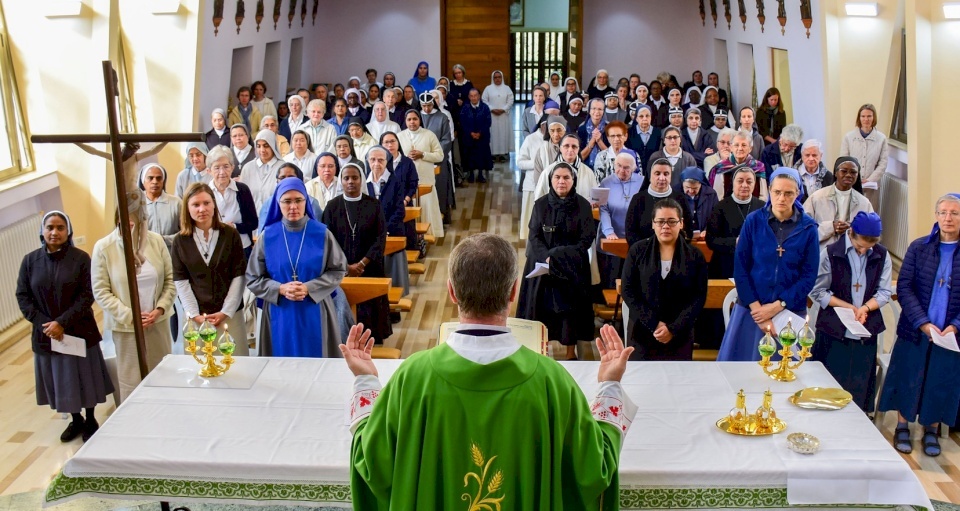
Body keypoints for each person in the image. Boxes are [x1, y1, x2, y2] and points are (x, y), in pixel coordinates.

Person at [344, 233, 635, 509]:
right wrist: (609, 386)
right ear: (513, 291)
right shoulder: (552, 382)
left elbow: (372, 464)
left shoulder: (412, 378)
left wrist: (365, 381)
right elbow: (593, 471)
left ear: (451, 292)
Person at [17, 211, 114, 442]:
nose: (54, 232)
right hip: (48, 334)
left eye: (60, 228)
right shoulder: (30, 261)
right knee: (63, 380)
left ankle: (90, 418)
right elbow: (23, 296)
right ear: (42, 230)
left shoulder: (81, 259)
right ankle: (75, 418)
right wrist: (46, 325)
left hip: (78, 330)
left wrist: (62, 323)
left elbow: (87, 295)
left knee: (84, 377)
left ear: (68, 231)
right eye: (50, 227)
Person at [878, 194, 960, 457]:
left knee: (939, 379)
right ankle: (903, 425)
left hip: (949, 334)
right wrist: (922, 322)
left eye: (954, 213)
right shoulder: (919, 247)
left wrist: (956, 326)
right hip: (915, 329)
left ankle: (931, 429)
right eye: (943, 212)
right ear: (936, 215)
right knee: (909, 375)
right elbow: (904, 287)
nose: (948, 218)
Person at [716, 168, 819, 361]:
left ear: (797, 193)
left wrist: (777, 306)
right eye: (777, 192)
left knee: (784, 377)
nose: (782, 198)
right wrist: (758, 310)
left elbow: (808, 276)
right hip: (751, 311)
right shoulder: (753, 221)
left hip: (788, 313)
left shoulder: (808, 228)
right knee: (743, 376)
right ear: (769, 190)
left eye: (788, 193)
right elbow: (741, 269)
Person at [246, 177, 347, 357]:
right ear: (278, 203)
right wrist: (280, 288)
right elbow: (253, 278)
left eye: (298, 200)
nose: (293, 207)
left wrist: (310, 287)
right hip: (279, 310)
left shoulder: (322, 233)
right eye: (287, 201)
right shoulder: (267, 236)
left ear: (306, 201)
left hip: (315, 308)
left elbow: (338, 270)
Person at [810, 211, 891, 412]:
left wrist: (864, 308)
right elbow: (817, 290)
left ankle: (859, 421)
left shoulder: (882, 254)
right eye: (859, 246)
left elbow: (884, 291)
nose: (863, 251)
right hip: (833, 328)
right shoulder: (831, 253)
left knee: (859, 383)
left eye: (868, 247)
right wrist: (847, 307)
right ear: (851, 233)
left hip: (865, 326)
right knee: (830, 381)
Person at [91, 208, 175, 402]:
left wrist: (160, 308)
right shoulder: (104, 247)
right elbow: (101, 292)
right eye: (125, 221)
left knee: (162, 377)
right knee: (132, 382)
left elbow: (170, 280)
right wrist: (132, 317)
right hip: (127, 327)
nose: (130, 224)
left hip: (157, 322)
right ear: (116, 219)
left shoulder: (155, 241)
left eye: (135, 220)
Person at [517, 164, 597, 360]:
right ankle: (541, 352)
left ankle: (571, 353)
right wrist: (547, 257)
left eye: (566, 178)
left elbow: (586, 239)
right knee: (541, 309)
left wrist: (557, 255)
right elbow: (534, 236)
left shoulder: (583, 205)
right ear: (550, 180)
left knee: (570, 312)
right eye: (557, 177)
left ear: (573, 181)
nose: (561, 181)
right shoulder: (540, 204)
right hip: (543, 265)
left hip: (572, 266)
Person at [622, 198, 708, 360]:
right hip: (643, 330)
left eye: (671, 221)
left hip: (680, 334)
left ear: (681, 223)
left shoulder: (695, 256)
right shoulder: (637, 251)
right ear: (653, 224)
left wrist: (673, 329)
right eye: (660, 221)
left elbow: (698, 297)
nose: (665, 226)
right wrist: (654, 323)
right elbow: (628, 290)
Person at [171, 182, 249, 357]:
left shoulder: (230, 235)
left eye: (206, 203)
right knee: (201, 369)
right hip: (197, 318)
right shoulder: (180, 241)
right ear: (187, 209)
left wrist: (225, 311)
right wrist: (194, 314)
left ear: (214, 204)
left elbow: (239, 276)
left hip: (229, 315)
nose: (202, 209)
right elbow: (181, 281)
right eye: (196, 205)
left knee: (236, 368)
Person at [322, 164, 392, 344]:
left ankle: (372, 341)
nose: (351, 182)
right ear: (342, 181)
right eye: (346, 178)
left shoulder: (374, 205)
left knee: (371, 311)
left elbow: (380, 238)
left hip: (369, 268)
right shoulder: (332, 206)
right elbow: (327, 241)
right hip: (340, 270)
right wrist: (345, 266)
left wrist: (361, 264)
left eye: (355, 178)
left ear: (361, 180)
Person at [705, 165, 765, 278]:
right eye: (740, 181)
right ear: (733, 183)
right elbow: (711, 240)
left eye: (749, 181)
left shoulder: (762, 207)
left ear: (754, 184)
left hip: (755, 266)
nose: (744, 185)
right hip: (725, 266)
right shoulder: (720, 207)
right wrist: (735, 242)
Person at [804, 157, 873, 248]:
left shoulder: (864, 203)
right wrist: (831, 227)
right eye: (844, 171)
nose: (848, 175)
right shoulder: (817, 198)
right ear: (836, 173)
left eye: (853, 172)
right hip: (822, 252)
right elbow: (804, 230)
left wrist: (852, 229)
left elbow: (870, 233)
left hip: (851, 253)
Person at [598, 152, 645, 287]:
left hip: (634, 238)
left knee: (631, 278)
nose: (621, 171)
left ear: (634, 168)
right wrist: (609, 232)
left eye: (626, 168)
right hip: (611, 236)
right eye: (618, 166)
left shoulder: (642, 182)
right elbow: (603, 209)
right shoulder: (606, 182)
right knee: (611, 277)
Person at [625, 158, 694, 246]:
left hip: (674, 253)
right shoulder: (638, 199)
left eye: (666, 174)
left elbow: (688, 230)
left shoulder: (680, 199)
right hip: (643, 254)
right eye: (657, 173)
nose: (662, 178)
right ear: (650, 176)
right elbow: (630, 232)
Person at [207, 146, 258, 258]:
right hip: (213, 248)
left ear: (232, 167)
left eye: (226, 166)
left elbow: (253, 223)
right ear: (209, 171)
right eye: (216, 168)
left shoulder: (242, 190)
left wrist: (235, 227)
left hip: (241, 247)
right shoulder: (205, 192)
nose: (222, 172)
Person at [840, 103, 889, 210]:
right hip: (851, 184)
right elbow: (843, 160)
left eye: (869, 116)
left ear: (873, 117)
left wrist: (870, 179)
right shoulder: (849, 137)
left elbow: (883, 163)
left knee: (870, 214)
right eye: (863, 116)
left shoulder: (881, 139)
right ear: (859, 118)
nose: (866, 119)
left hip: (872, 187)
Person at [419, 91, 455, 221]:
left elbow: (446, 140)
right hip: (420, 161)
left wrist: (432, 154)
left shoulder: (442, 117)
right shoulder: (417, 117)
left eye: (429, 105)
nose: (426, 109)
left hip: (437, 160)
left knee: (439, 189)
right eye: (424, 106)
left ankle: (441, 217)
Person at [518, 118, 555, 240]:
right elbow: (520, 162)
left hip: (550, 187)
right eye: (547, 125)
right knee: (531, 219)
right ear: (541, 125)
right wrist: (537, 163)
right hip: (531, 184)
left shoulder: (554, 141)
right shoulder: (531, 139)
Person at [534, 134, 599, 203]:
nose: (570, 149)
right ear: (560, 148)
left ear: (578, 149)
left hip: (581, 213)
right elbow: (538, 200)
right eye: (566, 146)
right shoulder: (548, 172)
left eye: (574, 146)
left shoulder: (588, 172)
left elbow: (595, 199)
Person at [708, 131, 768, 200]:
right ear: (731, 148)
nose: (740, 149)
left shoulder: (758, 167)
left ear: (750, 149)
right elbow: (718, 197)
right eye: (736, 145)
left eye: (744, 145)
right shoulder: (722, 167)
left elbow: (763, 196)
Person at [240, 130, 284, 213]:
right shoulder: (248, 168)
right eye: (258, 146)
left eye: (266, 146)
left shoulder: (283, 168)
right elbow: (243, 197)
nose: (262, 150)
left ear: (273, 146)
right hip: (253, 219)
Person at [139, 163, 181, 250]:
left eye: (159, 178)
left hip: (172, 254)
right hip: (145, 255)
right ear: (143, 181)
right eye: (150, 178)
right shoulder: (136, 205)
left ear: (163, 181)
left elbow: (186, 231)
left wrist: (164, 240)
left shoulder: (176, 203)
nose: (155, 182)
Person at [458, 89, 493, 185]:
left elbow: (488, 122)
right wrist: (471, 133)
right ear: (469, 97)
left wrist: (480, 133)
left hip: (482, 137)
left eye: (475, 95)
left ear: (479, 96)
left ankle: (481, 174)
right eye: (471, 96)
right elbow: (462, 122)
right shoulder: (465, 108)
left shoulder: (485, 108)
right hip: (469, 137)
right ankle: (471, 174)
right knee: (469, 156)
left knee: (481, 155)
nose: (474, 98)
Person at [481, 70, 514, 163]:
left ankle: (504, 154)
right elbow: (484, 100)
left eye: (499, 77)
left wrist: (504, 109)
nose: (497, 79)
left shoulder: (507, 88)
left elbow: (510, 100)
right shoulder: (488, 88)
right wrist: (492, 109)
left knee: (504, 134)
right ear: (493, 78)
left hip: (504, 116)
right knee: (493, 135)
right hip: (492, 116)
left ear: (502, 78)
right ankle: (493, 154)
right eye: (495, 77)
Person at [680, 167, 718, 239]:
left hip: (704, 238)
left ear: (701, 184)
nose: (691, 191)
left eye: (695, 188)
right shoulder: (676, 194)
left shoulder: (711, 194)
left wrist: (708, 230)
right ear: (682, 183)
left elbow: (716, 217)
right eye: (687, 187)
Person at [626, 103, 661, 173]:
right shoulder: (629, 132)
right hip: (633, 171)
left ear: (651, 117)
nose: (645, 119)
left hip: (653, 170)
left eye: (647, 116)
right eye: (641, 116)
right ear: (637, 119)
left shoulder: (658, 133)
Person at [577, 98, 608, 168]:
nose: (596, 111)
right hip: (585, 167)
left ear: (603, 111)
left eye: (600, 109)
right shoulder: (582, 129)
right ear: (589, 111)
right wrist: (592, 140)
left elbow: (611, 155)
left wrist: (599, 141)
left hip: (605, 167)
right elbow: (579, 157)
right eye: (594, 108)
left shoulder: (609, 128)